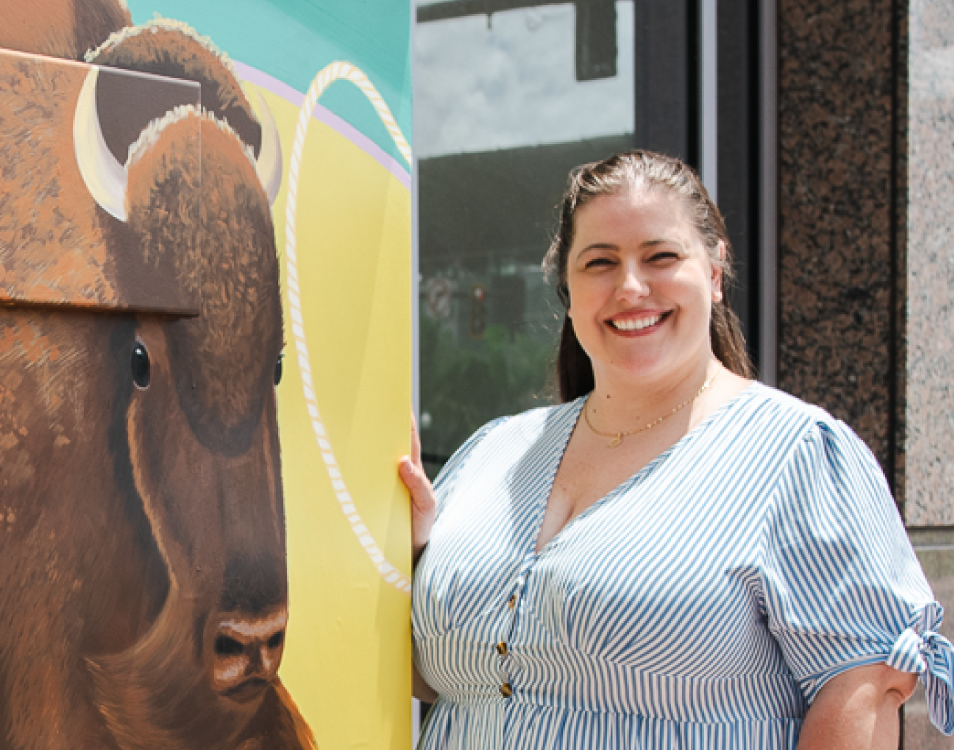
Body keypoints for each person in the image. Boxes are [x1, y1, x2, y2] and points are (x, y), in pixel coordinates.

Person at [399, 150, 954, 749]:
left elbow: (862, 691)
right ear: (567, 287)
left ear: (714, 271)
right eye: (599, 262)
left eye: (660, 256)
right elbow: (437, 678)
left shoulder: (798, 456)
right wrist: (416, 554)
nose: (630, 286)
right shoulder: (494, 454)